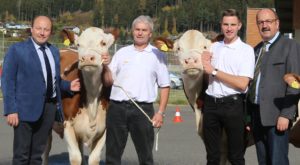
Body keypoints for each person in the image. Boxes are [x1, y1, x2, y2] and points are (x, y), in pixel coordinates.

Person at [1, 15, 80, 165]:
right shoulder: (17, 50)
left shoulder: (54, 51)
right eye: (39, 28)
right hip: (24, 110)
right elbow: (7, 81)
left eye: (46, 29)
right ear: (32, 29)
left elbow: (53, 80)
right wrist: (11, 109)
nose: (42, 32)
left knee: (37, 155)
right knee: (21, 156)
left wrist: (68, 86)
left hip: (48, 110)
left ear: (50, 32)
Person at [105, 15, 170, 165]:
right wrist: (104, 66)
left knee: (145, 156)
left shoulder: (157, 55)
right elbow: (108, 81)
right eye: (137, 29)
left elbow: (165, 85)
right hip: (117, 108)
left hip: (142, 110)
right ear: (132, 31)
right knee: (112, 156)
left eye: (144, 30)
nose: (140, 33)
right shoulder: (121, 53)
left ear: (150, 34)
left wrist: (160, 112)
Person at [201, 9, 255, 165]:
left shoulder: (246, 50)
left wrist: (214, 71)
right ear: (221, 25)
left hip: (233, 105)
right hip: (211, 104)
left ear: (239, 26)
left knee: (236, 156)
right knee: (212, 157)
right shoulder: (213, 47)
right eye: (226, 24)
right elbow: (207, 77)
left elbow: (242, 83)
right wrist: (205, 65)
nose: (229, 28)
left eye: (233, 24)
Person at [247, 8, 300, 165]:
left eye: (268, 21)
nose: (264, 25)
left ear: (277, 23)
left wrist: (286, 114)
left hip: (277, 117)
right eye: (261, 22)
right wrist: (249, 117)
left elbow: (296, 84)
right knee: (263, 161)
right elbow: (251, 84)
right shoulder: (256, 50)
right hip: (257, 116)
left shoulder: (289, 46)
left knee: (278, 161)